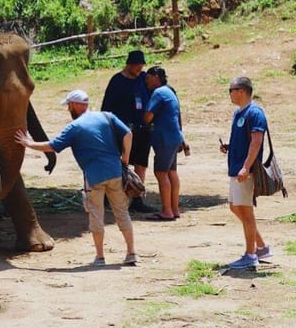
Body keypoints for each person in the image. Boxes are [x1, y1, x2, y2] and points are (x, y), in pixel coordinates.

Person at [16, 89, 138, 267]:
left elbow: (52, 146)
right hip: (116, 173)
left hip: (94, 177)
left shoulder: (75, 127)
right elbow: (128, 134)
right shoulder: (107, 117)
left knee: (96, 216)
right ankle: (131, 252)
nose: (68, 110)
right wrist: (125, 159)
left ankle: (100, 257)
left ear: (73, 105)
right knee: (122, 213)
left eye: (69, 106)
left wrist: (28, 143)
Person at [219, 76, 272, 270]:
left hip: (245, 170)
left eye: (231, 90)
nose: (230, 94)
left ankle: (251, 255)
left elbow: (256, 141)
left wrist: (246, 166)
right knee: (235, 207)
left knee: (246, 211)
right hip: (236, 168)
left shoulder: (255, 113)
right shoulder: (238, 113)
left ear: (241, 91)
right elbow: (244, 140)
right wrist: (230, 147)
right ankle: (262, 247)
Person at [101, 50, 155, 213]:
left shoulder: (143, 79)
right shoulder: (117, 81)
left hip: (142, 129)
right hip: (122, 130)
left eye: (141, 65)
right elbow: (107, 108)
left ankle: (137, 199)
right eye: (137, 65)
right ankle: (107, 196)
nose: (140, 68)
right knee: (117, 162)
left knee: (141, 163)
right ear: (129, 64)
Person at [143, 66, 184, 221]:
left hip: (164, 138)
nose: (146, 81)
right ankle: (174, 209)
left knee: (161, 173)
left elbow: (148, 116)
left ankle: (166, 211)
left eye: (148, 77)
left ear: (155, 76)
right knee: (171, 172)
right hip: (174, 137)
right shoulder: (170, 92)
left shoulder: (159, 93)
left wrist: (145, 121)